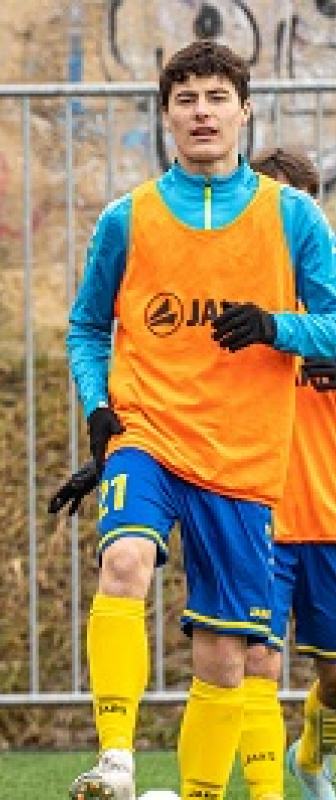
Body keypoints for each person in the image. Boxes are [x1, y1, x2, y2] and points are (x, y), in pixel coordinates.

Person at [66, 41, 336, 800]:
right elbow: (87, 326)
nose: (202, 113)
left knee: (225, 655)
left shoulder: (294, 217)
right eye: (186, 100)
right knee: (124, 562)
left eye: (217, 98)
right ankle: (116, 757)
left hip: (248, 458)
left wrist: (276, 328)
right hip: (150, 434)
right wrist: (98, 405)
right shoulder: (128, 218)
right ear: (167, 117)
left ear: (244, 110)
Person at [236, 147, 336, 799]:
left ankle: (310, 753)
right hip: (258, 519)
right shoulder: (236, 316)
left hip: (328, 518)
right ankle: (267, 790)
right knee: (255, 664)